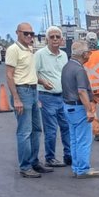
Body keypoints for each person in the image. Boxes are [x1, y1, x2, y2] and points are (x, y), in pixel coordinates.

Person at [6, 22, 54, 178]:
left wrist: (42, 82)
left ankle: (34, 162)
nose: (29, 36)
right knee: (24, 131)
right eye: (25, 33)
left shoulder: (29, 49)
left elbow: (29, 73)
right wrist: (16, 98)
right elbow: (9, 75)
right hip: (22, 91)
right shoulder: (13, 50)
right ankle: (25, 166)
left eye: (31, 33)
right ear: (17, 33)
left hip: (33, 91)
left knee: (36, 129)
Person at [61, 40, 99, 178]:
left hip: (68, 106)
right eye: (89, 52)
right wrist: (89, 110)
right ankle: (83, 169)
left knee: (74, 139)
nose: (89, 55)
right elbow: (82, 91)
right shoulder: (79, 70)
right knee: (83, 140)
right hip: (78, 107)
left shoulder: (67, 66)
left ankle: (77, 167)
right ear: (84, 54)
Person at [35, 26, 72, 168]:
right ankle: (50, 157)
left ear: (62, 39)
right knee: (51, 130)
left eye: (58, 37)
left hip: (63, 96)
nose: (55, 39)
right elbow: (32, 74)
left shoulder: (63, 55)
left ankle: (69, 155)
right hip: (47, 97)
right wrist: (43, 82)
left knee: (66, 127)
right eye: (52, 37)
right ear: (47, 39)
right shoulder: (40, 55)